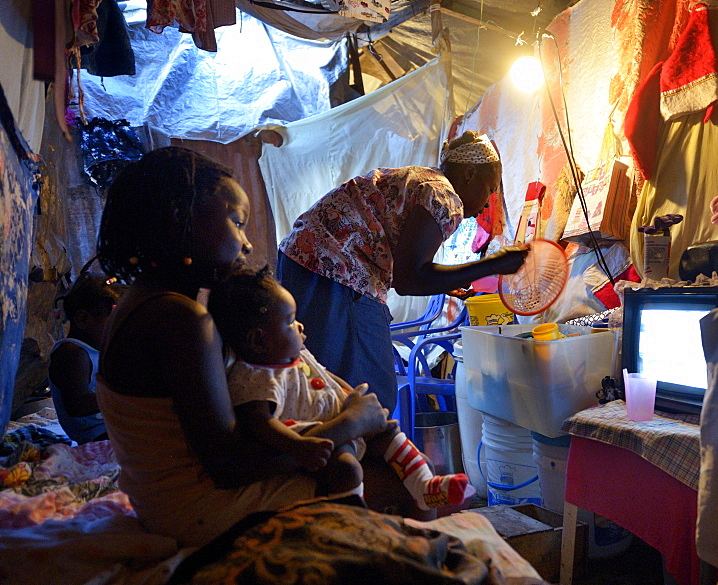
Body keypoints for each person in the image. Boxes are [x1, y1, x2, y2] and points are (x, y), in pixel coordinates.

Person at [95, 147, 420, 548]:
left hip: (162, 502)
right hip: (196, 507)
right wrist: (348, 424)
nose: (246, 244)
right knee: (390, 485)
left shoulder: (147, 299)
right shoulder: (180, 319)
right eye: (236, 222)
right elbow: (229, 466)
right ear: (183, 218)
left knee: (367, 461)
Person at [277, 131, 528, 415]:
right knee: (369, 397)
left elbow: (405, 269)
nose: (488, 202)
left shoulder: (418, 178)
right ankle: (359, 456)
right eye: (490, 189)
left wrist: (445, 279)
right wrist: (493, 264)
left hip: (301, 262)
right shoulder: (444, 196)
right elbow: (409, 281)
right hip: (337, 274)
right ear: (469, 174)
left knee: (320, 384)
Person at [207, 267, 470, 510]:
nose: (300, 326)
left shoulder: (293, 352)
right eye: (289, 321)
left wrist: (353, 398)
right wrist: (299, 446)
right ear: (257, 340)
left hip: (347, 423)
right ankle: (353, 516)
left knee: (393, 435)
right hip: (325, 441)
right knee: (346, 470)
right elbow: (261, 423)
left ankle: (423, 484)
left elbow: (327, 377)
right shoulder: (255, 377)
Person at [49, 270, 119, 444]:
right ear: (83, 319)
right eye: (112, 322)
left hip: (107, 430)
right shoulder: (73, 353)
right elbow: (76, 406)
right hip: (97, 435)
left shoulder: (93, 350)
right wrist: (122, 396)